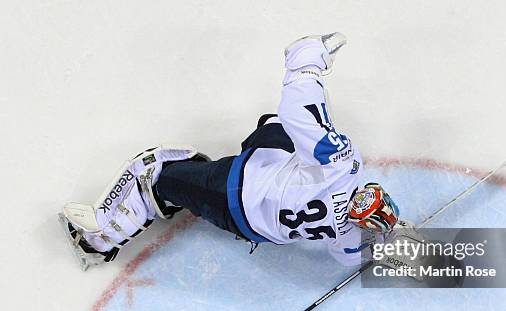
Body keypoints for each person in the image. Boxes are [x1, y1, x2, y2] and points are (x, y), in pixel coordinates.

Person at [59, 32, 401, 271]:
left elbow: (302, 111)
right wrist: (378, 249)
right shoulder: (350, 235)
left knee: (154, 172)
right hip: (260, 215)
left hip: (232, 197)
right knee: (273, 128)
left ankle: (98, 238)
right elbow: (350, 257)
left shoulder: (344, 166)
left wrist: (307, 60)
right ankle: (197, 184)